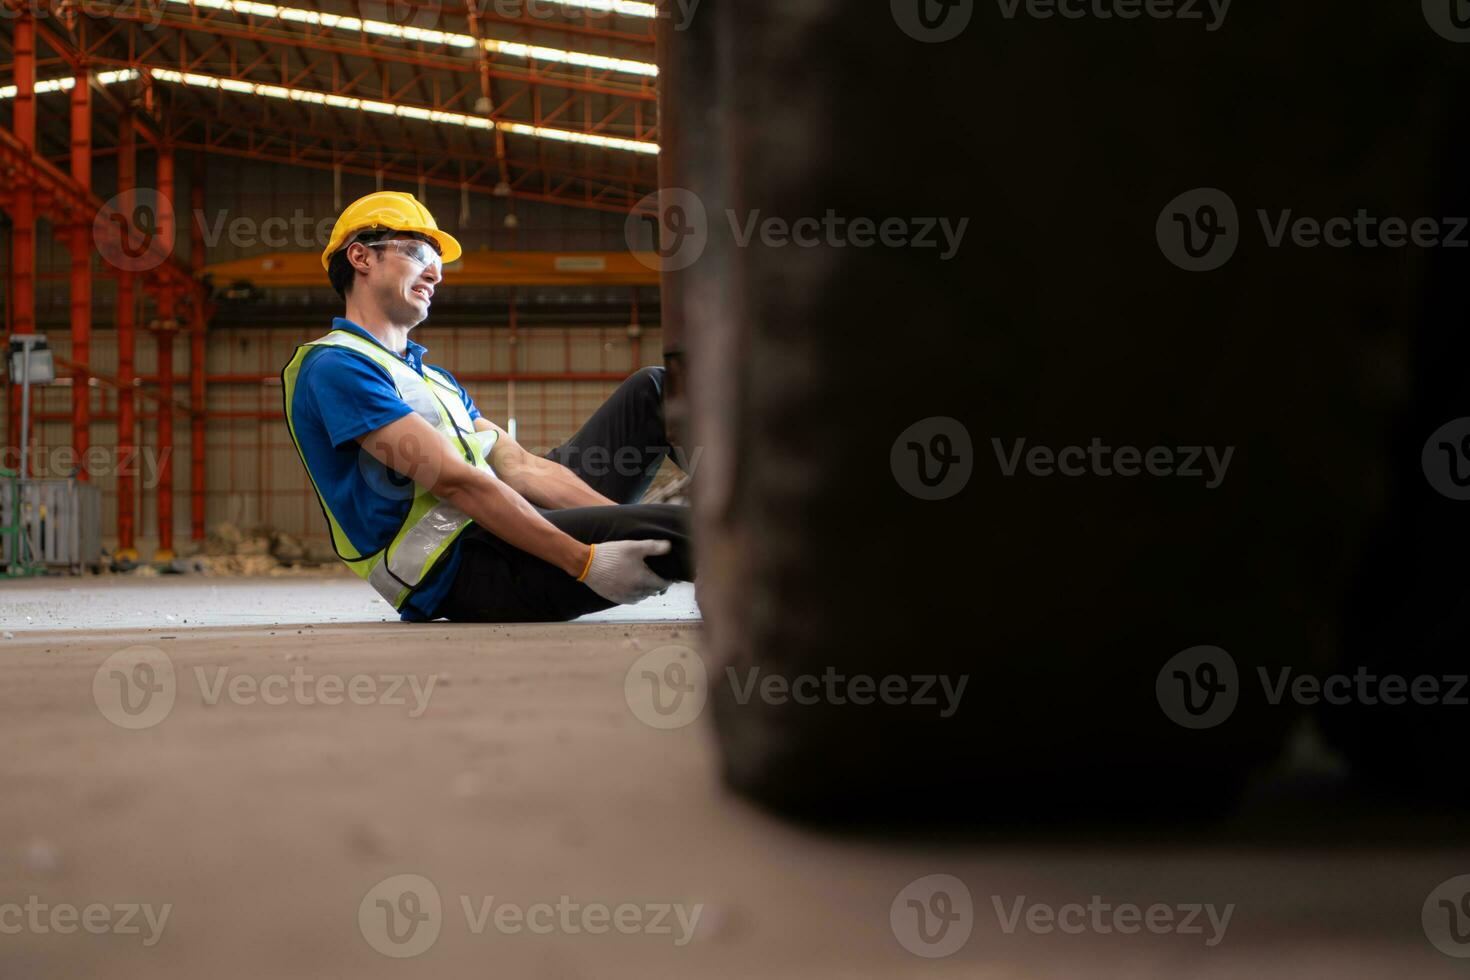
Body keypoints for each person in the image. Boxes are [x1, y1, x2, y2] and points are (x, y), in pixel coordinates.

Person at [281, 191, 692, 622]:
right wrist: (584, 562)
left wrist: (622, 520)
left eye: (440, 262)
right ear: (361, 257)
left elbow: (520, 467)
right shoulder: (336, 366)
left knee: (655, 391)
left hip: (505, 520)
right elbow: (457, 483)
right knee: (689, 530)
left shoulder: (431, 378)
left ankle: (735, 494)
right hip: (463, 566)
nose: (436, 273)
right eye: (420, 251)